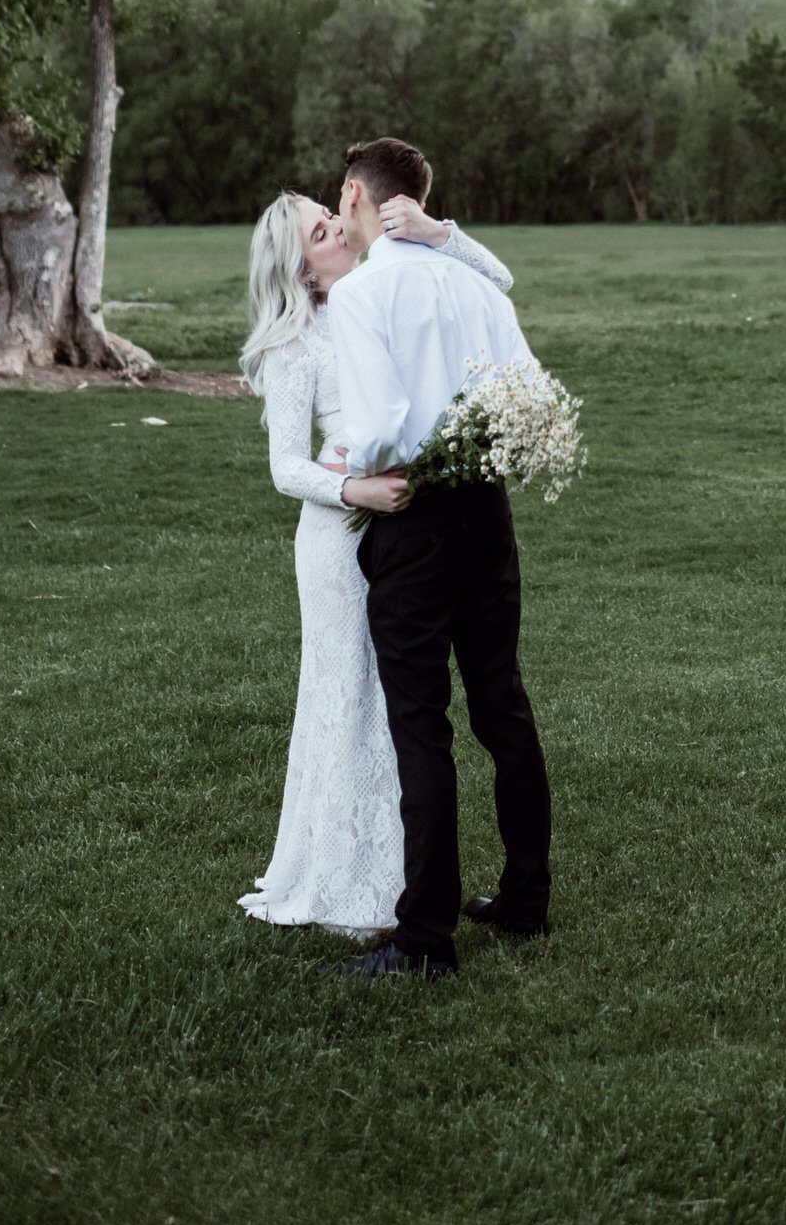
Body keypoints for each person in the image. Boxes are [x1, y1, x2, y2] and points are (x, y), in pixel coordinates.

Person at [237, 186, 513, 940]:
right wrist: (355, 487)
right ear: (300, 268)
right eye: (321, 230)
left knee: (398, 707)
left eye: (331, 214)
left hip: (404, 535)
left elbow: (495, 284)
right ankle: (347, 874)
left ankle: (404, 874)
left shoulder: (377, 293)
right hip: (338, 541)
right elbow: (285, 466)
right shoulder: (295, 344)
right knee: (348, 698)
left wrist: (440, 230)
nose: (338, 228)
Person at [330, 135, 553, 981]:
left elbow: (382, 419)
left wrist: (352, 482)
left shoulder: (363, 293)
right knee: (503, 707)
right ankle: (526, 900)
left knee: (419, 724)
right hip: (487, 511)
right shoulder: (473, 282)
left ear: (356, 194)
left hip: (415, 512)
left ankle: (424, 939)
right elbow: (526, 389)